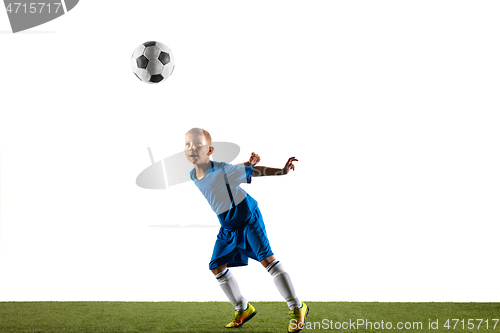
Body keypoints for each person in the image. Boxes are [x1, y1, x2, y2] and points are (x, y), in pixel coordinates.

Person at [184, 128, 308, 332]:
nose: (192, 148)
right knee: (216, 266)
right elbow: (233, 170)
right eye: (188, 144)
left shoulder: (221, 170)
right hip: (228, 226)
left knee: (267, 260)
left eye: (198, 144)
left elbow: (251, 172)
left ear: (210, 150)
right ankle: (243, 308)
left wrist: (282, 171)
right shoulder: (194, 174)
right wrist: (247, 164)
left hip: (248, 219)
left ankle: (297, 307)